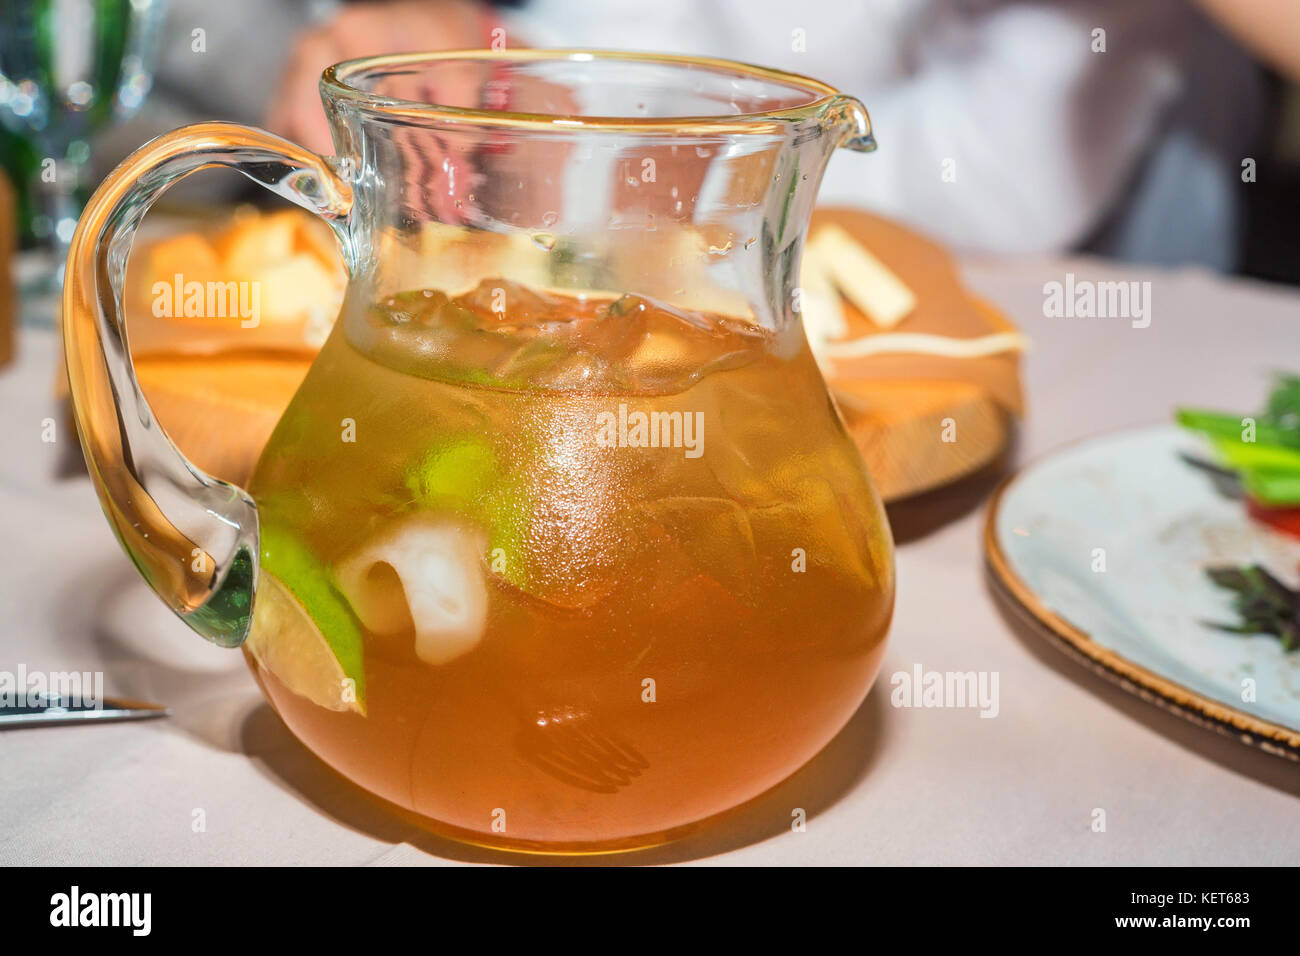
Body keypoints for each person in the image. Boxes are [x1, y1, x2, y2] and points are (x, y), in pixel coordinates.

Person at [113, 0, 1266, 268]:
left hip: (1058, 293)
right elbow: (635, 24)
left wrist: (559, 151)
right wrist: (482, 51)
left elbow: (992, 182)